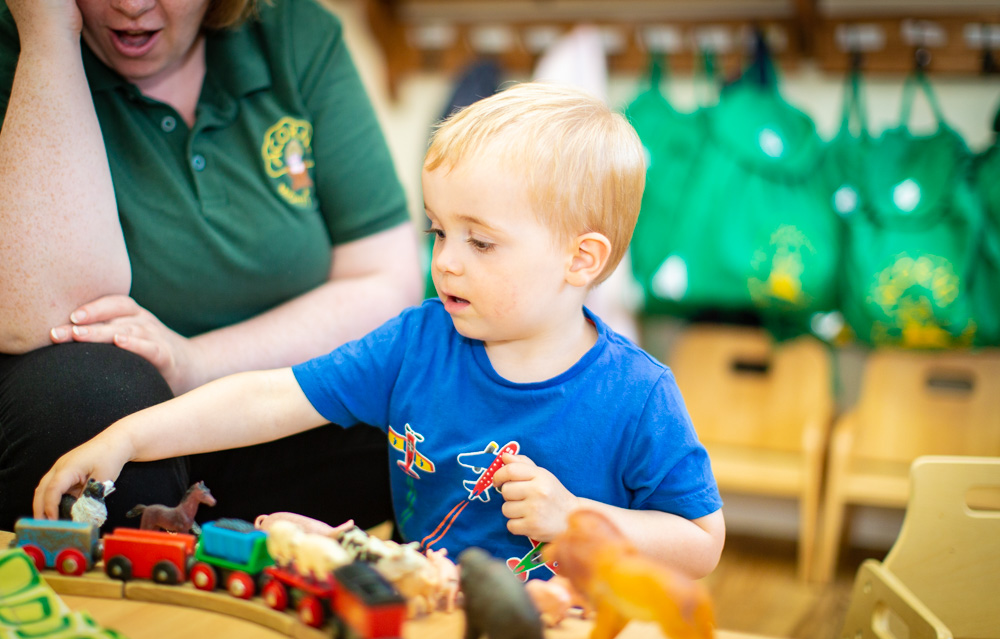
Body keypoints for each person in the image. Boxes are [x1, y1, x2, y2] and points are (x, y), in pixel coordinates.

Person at [35, 83, 725, 578]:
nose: (445, 260)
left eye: (480, 242)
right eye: (439, 231)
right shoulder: (418, 342)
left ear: (582, 259)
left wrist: (576, 518)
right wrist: (126, 434)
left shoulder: (639, 394)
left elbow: (701, 541)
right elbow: (271, 398)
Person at [0, 0, 423, 531]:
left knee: (428, 409)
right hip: (108, 415)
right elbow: (40, 320)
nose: (132, 5)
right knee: (95, 403)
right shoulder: (19, 41)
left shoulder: (294, 32)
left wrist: (194, 362)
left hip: (266, 410)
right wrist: (48, 39)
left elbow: (387, 282)